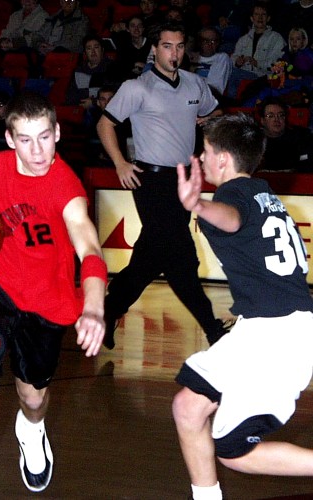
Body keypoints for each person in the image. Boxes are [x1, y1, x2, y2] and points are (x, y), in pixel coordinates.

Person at [0, 91, 107, 499]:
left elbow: (91, 249)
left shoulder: (66, 187)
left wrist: (94, 309)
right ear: (10, 139)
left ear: (57, 133)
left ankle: (32, 429)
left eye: (45, 137)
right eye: (26, 140)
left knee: (32, 394)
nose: (38, 150)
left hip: (49, 297)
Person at [173, 112, 313, 500]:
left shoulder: (232, 195)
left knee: (233, 449)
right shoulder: (264, 193)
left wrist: (198, 205)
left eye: (205, 152)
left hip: (278, 335)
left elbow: (231, 221)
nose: (200, 159)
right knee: (188, 406)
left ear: (222, 159)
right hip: (263, 327)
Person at [97, 21, 231, 350]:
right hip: (151, 179)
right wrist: (120, 163)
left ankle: (109, 310)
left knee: (150, 259)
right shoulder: (136, 87)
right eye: (168, 46)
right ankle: (213, 330)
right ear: (154, 49)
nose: (174, 53)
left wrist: (205, 122)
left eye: (180, 46)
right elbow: (105, 124)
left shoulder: (194, 84)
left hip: (183, 179)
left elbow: (216, 113)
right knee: (181, 256)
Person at [227, 2, 286, 99]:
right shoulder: (243, 39)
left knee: (234, 73)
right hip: (245, 72)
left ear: (268, 18)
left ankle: (231, 102)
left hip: (264, 75)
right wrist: (237, 61)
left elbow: (278, 63)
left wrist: (257, 63)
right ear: (251, 18)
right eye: (256, 14)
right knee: (229, 68)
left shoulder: (276, 38)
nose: (260, 17)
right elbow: (234, 57)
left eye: (263, 14)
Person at [257, 96, 313, 172]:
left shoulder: (301, 136)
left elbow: (306, 164)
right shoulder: (255, 140)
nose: (276, 119)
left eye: (281, 115)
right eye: (270, 116)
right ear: (262, 120)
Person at [65, 35, 117, 109]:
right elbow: (70, 96)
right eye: (89, 48)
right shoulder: (79, 70)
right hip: (81, 109)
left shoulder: (112, 68)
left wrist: (94, 102)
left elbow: (116, 93)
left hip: (104, 109)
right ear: (85, 53)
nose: (93, 51)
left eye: (96, 47)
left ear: (102, 50)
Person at [189, 26, 232, 97]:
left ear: (218, 43)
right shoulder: (191, 57)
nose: (210, 44)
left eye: (213, 41)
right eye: (206, 41)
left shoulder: (222, 58)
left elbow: (216, 88)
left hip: (208, 98)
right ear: (199, 42)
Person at [111, 15, 152, 81]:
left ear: (143, 28)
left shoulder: (151, 44)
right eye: (133, 26)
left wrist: (145, 67)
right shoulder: (124, 45)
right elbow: (119, 65)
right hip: (129, 81)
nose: (136, 29)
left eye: (139, 26)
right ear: (127, 29)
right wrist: (134, 64)